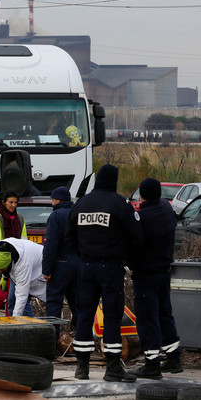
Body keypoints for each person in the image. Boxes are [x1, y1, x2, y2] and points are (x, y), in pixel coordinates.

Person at [66, 164, 143, 383]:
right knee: (111, 315)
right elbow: (136, 237)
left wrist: (83, 255)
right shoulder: (119, 204)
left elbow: (69, 237)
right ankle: (113, 368)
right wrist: (127, 260)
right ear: (114, 181)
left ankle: (82, 367)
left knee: (84, 315)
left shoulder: (81, 203)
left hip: (85, 267)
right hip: (110, 267)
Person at [127, 178, 182, 379]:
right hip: (164, 270)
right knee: (164, 314)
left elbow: (134, 243)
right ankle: (174, 357)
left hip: (146, 273)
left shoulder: (142, 217)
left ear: (142, 195)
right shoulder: (166, 209)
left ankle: (152, 363)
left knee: (147, 318)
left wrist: (129, 263)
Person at [42, 186, 80, 322]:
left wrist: (46, 270)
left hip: (60, 265)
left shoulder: (56, 216)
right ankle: (82, 332)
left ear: (58, 200)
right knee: (77, 302)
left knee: (54, 302)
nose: (52, 203)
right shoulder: (78, 214)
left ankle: (53, 332)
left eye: (53, 200)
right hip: (78, 264)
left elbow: (51, 244)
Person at [0, 238, 46, 317]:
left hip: (38, 272)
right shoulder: (3, 248)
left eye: (2, 269)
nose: (0, 271)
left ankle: (26, 324)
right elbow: (4, 265)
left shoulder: (23, 264)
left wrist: (16, 319)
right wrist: (5, 277)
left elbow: (22, 295)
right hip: (19, 272)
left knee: (22, 304)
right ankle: (14, 321)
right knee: (12, 301)